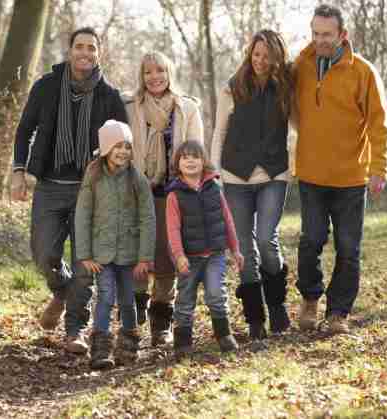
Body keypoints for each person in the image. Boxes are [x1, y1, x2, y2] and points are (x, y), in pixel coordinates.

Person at [11, 27, 128, 353]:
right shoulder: (46, 87)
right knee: (43, 252)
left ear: (98, 53)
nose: (85, 53)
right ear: (70, 50)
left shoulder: (110, 96)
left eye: (92, 48)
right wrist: (19, 172)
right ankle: (61, 290)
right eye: (80, 46)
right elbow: (24, 131)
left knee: (84, 264)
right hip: (49, 185)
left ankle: (75, 330)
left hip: (90, 190)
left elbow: (123, 147)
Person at [292, 4, 387, 334]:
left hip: (351, 178)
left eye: (327, 34)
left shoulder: (362, 71)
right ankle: (309, 300)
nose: (320, 40)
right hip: (311, 175)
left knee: (349, 248)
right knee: (311, 241)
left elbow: (379, 125)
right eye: (315, 33)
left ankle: (338, 314)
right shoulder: (300, 67)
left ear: (342, 35)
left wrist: (379, 168)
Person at [211, 29, 293, 346]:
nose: (260, 61)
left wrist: (297, 161)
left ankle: (277, 306)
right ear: (250, 54)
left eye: (267, 56)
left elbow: (300, 125)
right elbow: (219, 132)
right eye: (255, 54)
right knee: (244, 249)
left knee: (266, 240)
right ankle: (255, 317)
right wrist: (215, 175)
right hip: (235, 178)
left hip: (274, 174)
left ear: (276, 58)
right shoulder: (232, 88)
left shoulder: (285, 89)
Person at [124, 51, 204, 346]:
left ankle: (161, 320)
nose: (154, 76)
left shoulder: (187, 108)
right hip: (137, 191)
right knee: (137, 253)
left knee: (169, 255)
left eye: (160, 70)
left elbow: (197, 151)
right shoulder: (130, 107)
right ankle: (132, 319)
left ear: (170, 73)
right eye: (148, 72)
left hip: (174, 192)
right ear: (141, 77)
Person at [75, 120, 156, 369]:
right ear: (106, 148)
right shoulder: (94, 174)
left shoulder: (136, 178)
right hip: (102, 253)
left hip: (130, 253)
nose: (123, 151)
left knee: (128, 299)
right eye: (117, 146)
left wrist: (145, 256)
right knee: (106, 297)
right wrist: (85, 254)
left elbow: (148, 217)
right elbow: (83, 213)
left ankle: (128, 348)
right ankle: (100, 350)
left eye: (127, 146)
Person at [166, 141, 243, 358]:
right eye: (185, 157)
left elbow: (227, 220)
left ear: (204, 161)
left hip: (215, 255)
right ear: (177, 164)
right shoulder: (174, 195)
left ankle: (224, 335)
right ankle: (182, 343)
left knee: (216, 294)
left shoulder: (215, 188)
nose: (190, 161)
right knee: (185, 300)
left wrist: (235, 249)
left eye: (195, 156)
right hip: (188, 258)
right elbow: (173, 229)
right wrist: (179, 256)